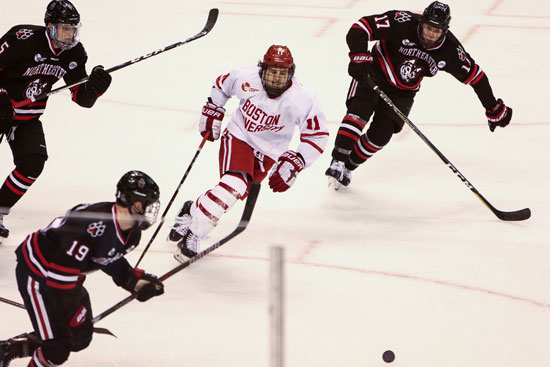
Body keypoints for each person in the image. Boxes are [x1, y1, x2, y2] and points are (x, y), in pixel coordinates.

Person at [325, 1, 513, 189]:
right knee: (360, 111)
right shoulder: (401, 21)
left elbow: (476, 77)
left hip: (404, 91)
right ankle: (337, 161)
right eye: (428, 27)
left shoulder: (451, 50)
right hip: (374, 74)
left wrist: (492, 107)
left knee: (381, 135)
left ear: (445, 31)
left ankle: (348, 166)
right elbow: (361, 27)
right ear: (421, 22)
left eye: (437, 31)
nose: (431, 34)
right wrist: (359, 56)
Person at [168, 44, 329, 261]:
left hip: (269, 153)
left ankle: (191, 210)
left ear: (291, 73)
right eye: (272, 72)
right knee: (233, 187)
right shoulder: (246, 76)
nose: (276, 79)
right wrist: (213, 109)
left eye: (282, 74)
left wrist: (298, 160)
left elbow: (317, 135)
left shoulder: (303, 97)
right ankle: (195, 232)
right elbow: (221, 85)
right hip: (239, 137)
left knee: (232, 194)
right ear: (262, 69)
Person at [0, 170, 164, 367]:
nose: (147, 211)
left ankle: (9, 349)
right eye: (145, 205)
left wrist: (132, 280)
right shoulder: (91, 227)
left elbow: (107, 256)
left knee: (79, 337)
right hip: (37, 274)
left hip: (66, 278)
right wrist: (68, 314)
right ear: (133, 202)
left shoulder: (131, 234)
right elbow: (58, 279)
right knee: (57, 348)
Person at [0, 0, 112, 238]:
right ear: (49, 26)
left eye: (72, 28)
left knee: (32, 164)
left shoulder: (74, 53)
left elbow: (82, 98)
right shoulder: (22, 39)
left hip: (27, 117)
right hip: (1, 109)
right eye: (63, 28)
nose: (68, 34)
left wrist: (96, 87)